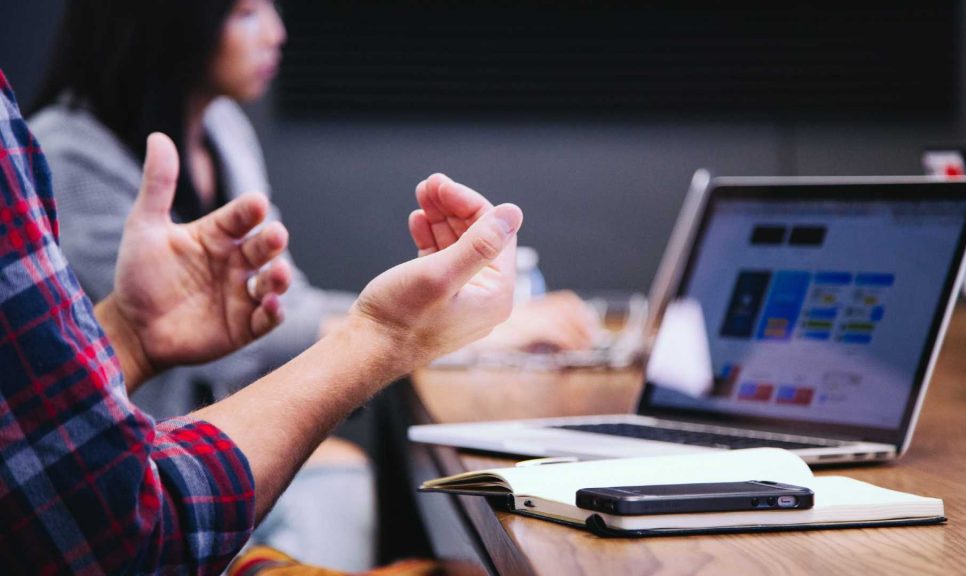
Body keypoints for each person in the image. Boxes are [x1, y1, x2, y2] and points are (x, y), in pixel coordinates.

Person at [28, 0, 595, 567]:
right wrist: (430, 330)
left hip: (212, 453)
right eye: (246, 13)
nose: (277, 32)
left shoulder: (222, 128)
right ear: (164, 20)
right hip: (141, 492)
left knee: (347, 476)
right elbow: (238, 349)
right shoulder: (68, 157)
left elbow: (277, 306)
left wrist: (424, 321)